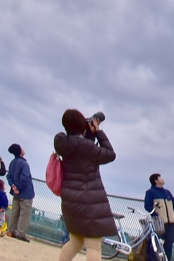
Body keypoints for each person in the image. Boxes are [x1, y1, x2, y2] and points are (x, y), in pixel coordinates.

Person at [55, 109, 117, 261]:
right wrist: (98, 132)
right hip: (89, 201)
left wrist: (88, 135)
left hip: (71, 201)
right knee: (93, 246)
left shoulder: (62, 143)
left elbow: (77, 144)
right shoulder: (87, 147)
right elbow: (110, 154)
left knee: (75, 242)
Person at [145, 173, 174, 261]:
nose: (162, 179)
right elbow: (147, 206)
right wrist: (156, 216)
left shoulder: (167, 192)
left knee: (169, 244)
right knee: (155, 244)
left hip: (170, 224)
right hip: (158, 224)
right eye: (160, 177)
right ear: (156, 181)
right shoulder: (150, 192)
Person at [7, 143, 35, 241]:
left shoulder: (12, 163)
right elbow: (25, 178)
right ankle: (21, 233)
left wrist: (13, 186)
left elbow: (8, 176)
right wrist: (19, 188)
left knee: (14, 212)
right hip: (26, 193)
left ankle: (11, 230)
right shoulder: (24, 164)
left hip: (16, 193)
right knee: (24, 214)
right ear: (20, 152)